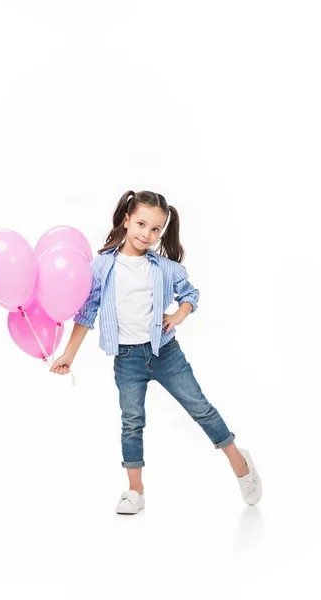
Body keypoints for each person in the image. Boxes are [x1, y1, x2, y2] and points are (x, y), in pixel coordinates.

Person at [50, 190, 262, 514]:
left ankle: (240, 462)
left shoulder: (164, 267)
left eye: (155, 229)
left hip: (165, 353)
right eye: (141, 224)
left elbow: (190, 294)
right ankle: (135, 491)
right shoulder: (102, 267)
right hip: (127, 359)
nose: (146, 234)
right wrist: (69, 354)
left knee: (199, 407)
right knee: (132, 421)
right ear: (126, 219)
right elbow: (87, 313)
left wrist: (178, 315)